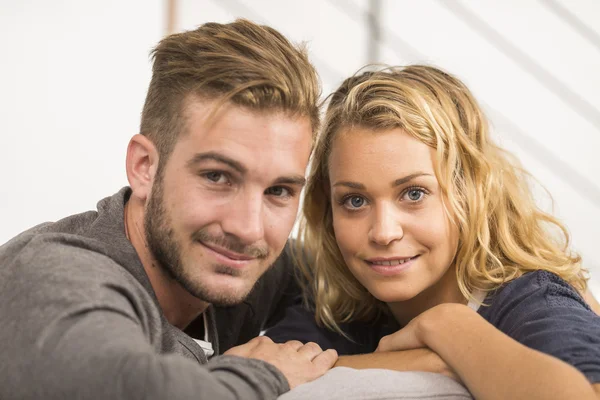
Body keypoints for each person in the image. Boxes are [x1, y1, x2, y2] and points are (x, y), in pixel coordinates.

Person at [0, 19, 338, 400]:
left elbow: (344, 283)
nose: (248, 229)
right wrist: (262, 372)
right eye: (217, 177)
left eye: (279, 190)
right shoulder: (52, 278)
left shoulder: (242, 260)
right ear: (145, 166)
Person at [267, 66, 600, 399]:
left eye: (414, 194)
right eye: (355, 200)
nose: (383, 233)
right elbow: (256, 372)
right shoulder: (339, 308)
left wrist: (450, 328)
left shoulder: (531, 299)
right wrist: (431, 363)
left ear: (470, 193)